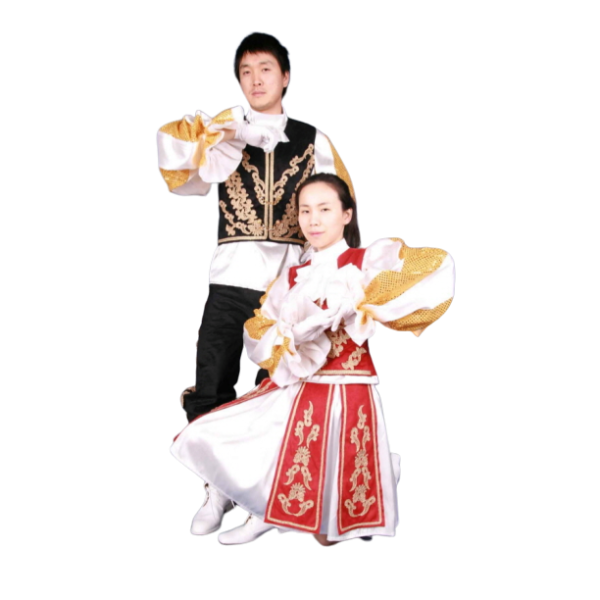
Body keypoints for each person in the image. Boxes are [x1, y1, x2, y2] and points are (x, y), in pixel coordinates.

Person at [170, 173, 456, 547]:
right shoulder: (293, 276)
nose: (313, 220)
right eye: (305, 211)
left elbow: (437, 267)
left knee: (327, 538)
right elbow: (260, 331)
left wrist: (362, 301)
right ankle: (265, 509)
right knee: (214, 431)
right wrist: (287, 336)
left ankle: (378, 473)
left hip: (347, 388)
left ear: (346, 214)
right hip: (299, 383)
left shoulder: (365, 262)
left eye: (324, 209)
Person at [156, 32, 356, 541]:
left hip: (286, 285)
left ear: (286, 77)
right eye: (245, 72)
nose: (255, 79)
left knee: (284, 389)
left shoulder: (313, 139)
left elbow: (341, 205)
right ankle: (216, 489)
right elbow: (185, 185)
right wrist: (196, 138)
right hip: (229, 277)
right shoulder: (221, 130)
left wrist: (336, 278)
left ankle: (269, 497)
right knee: (211, 380)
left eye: (265, 69)